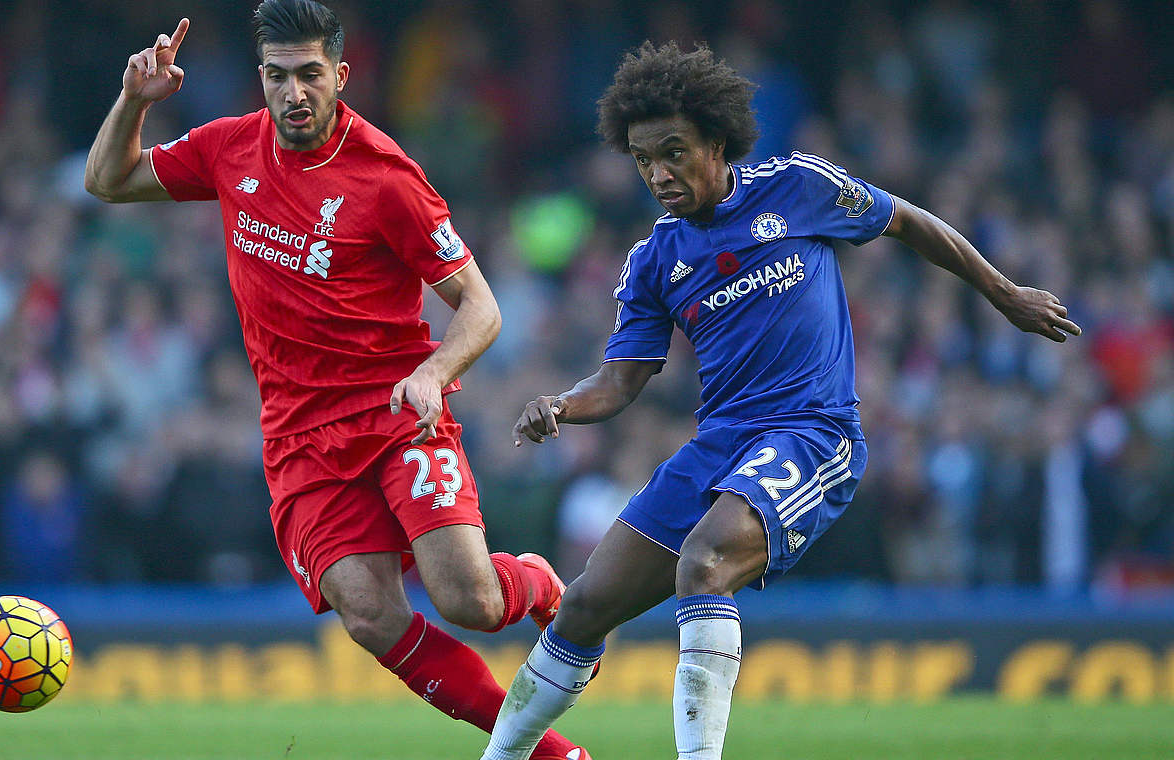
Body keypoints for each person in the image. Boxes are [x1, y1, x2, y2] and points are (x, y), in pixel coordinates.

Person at [480, 41, 1081, 760]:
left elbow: (910, 220)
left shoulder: (797, 186)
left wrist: (1005, 294)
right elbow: (620, 381)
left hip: (812, 432)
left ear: (716, 139)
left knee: (701, 564)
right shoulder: (656, 260)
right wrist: (561, 404)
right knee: (582, 605)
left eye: (673, 152)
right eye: (643, 161)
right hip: (721, 444)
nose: (659, 174)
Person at [84, 3, 589, 758]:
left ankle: (536, 581)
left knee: (472, 602)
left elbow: (481, 306)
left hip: (395, 413)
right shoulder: (229, 148)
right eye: (278, 76)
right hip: (300, 439)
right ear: (261, 77)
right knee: (369, 614)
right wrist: (135, 100)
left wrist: (434, 372)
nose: (294, 93)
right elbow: (109, 181)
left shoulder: (385, 178)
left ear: (340, 77)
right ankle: (555, 756)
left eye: (310, 75)